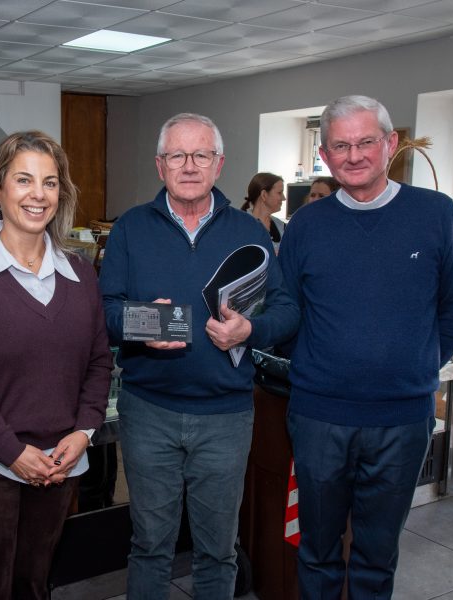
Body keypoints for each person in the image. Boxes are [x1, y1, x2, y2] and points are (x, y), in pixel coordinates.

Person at [279, 95, 453, 599]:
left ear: (390, 144)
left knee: (377, 556)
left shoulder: (436, 214)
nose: (354, 155)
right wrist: (328, 365)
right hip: (320, 418)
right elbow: (288, 314)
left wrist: (409, 366)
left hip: (401, 420)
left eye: (365, 142)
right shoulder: (306, 225)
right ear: (324, 154)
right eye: (340, 146)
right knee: (316, 551)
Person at [99, 113, 299, 600]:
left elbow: (287, 310)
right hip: (149, 413)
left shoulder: (249, 232)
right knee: (150, 546)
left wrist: (250, 330)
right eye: (177, 155)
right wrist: (143, 325)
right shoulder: (130, 228)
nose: (189, 166)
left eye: (201, 155)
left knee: (218, 550)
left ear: (219, 163)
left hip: (225, 417)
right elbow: (103, 310)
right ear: (160, 165)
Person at [0, 130, 112, 600]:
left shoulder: (81, 274)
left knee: (34, 582)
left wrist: (84, 431)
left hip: (59, 460)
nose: (38, 194)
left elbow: (98, 363)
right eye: (24, 180)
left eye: (50, 183)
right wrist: (12, 452)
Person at [242, 172, 286, 252]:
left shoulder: (282, 226)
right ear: (264, 195)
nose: (284, 198)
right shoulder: (241, 226)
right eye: (279, 193)